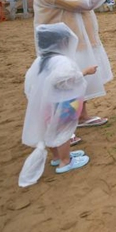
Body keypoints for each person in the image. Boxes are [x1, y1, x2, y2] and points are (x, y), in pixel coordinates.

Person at [30, 0, 112, 130]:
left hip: (73, 43)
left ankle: (81, 117)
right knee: (64, 86)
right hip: (60, 46)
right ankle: (62, 129)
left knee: (77, 82)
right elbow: (86, 3)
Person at [19, 23, 95, 186]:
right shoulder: (62, 61)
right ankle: (65, 161)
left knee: (50, 131)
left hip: (44, 105)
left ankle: (56, 157)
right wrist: (85, 72)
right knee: (63, 132)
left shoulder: (39, 61)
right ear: (62, 43)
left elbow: (30, 83)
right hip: (63, 104)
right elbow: (64, 80)